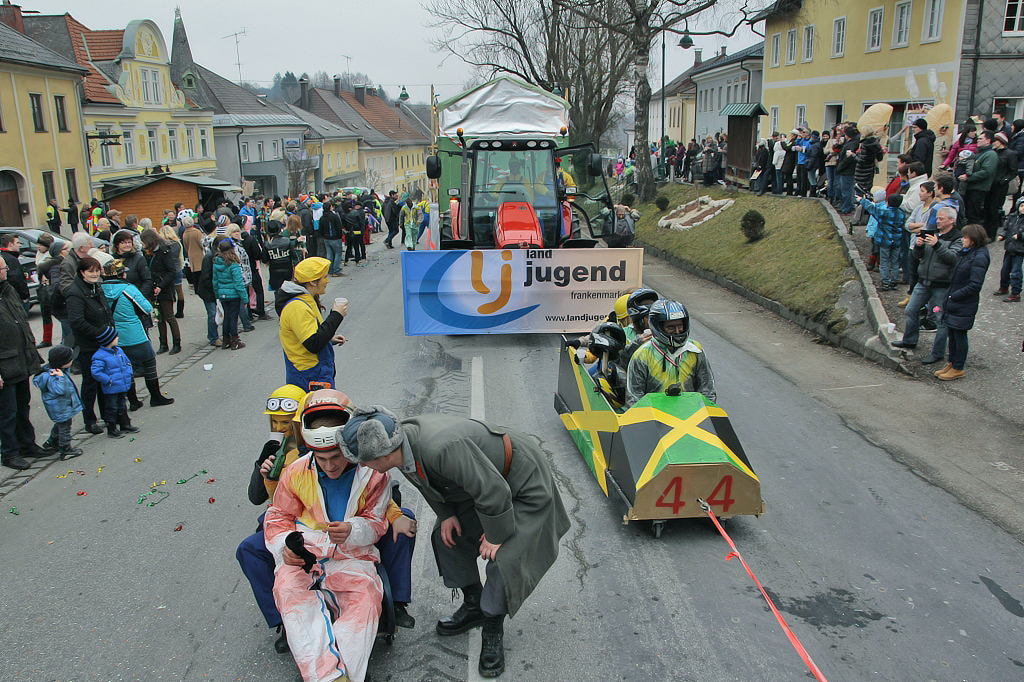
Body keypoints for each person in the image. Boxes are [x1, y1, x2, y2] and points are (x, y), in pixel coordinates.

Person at [339, 406, 571, 678]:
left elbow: (494, 491)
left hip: (521, 481)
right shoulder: (400, 444)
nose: (363, 466)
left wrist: (496, 536)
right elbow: (424, 481)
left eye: (365, 461)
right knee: (446, 536)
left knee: (504, 557)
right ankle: (475, 605)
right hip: (488, 483)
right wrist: (447, 513)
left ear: (384, 455)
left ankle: (492, 627)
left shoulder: (440, 449)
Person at [264, 397, 394, 682]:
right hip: (305, 556)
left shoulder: (374, 474)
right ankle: (332, 677)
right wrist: (284, 547)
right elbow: (277, 518)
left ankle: (334, 675)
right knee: (289, 593)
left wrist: (352, 530)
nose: (330, 466)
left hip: (352, 557)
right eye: (321, 459)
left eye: (336, 457)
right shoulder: (295, 472)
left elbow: (377, 522)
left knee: (365, 600)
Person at [892, 206, 963, 363]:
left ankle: (937, 353)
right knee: (911, 310)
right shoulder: (932, 233)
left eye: (941, 218)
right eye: (937, 218)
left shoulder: (957, 238)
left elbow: (953, 259)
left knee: (940, 318)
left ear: (952, 220)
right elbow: (918, 256)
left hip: (942, 286)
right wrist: (919, 246)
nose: (938, 221)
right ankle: (909, 340)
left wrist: (937, 245)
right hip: (923, 282)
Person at [101, 256, 173, 409]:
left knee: (125, 368)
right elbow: (146, 308)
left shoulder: (100, 291)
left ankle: (133, 400)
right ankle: (155, 397)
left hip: (113, 336)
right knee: (149, 363)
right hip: (134, 333)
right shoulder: (128, 289)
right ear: (121, 274)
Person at [0, 254, 46, 470]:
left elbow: (22, 323)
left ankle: (27, 444)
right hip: (5, 364)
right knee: (7, 413)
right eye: (3, 269)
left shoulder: (7, 289)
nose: (6, 271)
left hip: (19, 359)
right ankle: (9, 453)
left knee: (22, 406)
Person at [625, 299, 716, 407]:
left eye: (680, 326)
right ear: (658, 327)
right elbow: (634, 398)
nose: (677, 331)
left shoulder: (695, 350)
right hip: (655, 415)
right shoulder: (642, 355)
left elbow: (707, 391)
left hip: (690, 414)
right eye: (671, 327)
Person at [276, 257, 347, 390]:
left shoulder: (306, 299)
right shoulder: (297, 307)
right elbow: (313, 343)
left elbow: (308, 333)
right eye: (324, 277)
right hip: (309, 376)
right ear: (313, 282)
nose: (327, 280)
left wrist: (328, 339)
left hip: (315, 373)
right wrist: (336, 315)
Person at [66, 256, 115, 434]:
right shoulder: (75, 293)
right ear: (82, 272)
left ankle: (108, 416)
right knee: (90, 383)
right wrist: (101, 333)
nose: (94, 274)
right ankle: (89, 420)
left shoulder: (97, 287)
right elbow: (77, 322)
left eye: (96, 271)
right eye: (90, 271)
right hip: (88, 345)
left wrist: (110, 332)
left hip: (103, 343)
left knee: (104, 381)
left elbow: (106, 311)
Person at [935, 224, 990, 380]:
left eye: (965, 237)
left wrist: (954, 296)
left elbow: (975, 285)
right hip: (955, 300)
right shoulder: (968, 253)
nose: (962, 240)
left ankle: (958, 367)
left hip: (963, 302)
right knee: (952, 334)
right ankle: (951, 363)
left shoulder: (979, 256)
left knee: (959, 335)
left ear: (973, 239)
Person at [32, 345, 83, 460]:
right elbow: (60, 390)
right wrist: (61, 378)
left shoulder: (57, 370)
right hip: (60, 408)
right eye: (70, 359)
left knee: (60, 425)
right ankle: (65, 449)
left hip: (61, 407)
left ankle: (52, 442)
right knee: (65, 428)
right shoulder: (54, 376)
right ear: (63, 363)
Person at [90, 325, 138, 438]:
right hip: (111, 387)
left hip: (122, 384)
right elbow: (96, 372)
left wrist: (129, 373)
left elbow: (127, 362)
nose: (118, 338)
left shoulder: (119, 350)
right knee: (111, 408)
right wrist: (109, 380)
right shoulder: (99, 356)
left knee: (122, 405)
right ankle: (111, 429)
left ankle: (125, 424)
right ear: (109, 340)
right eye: (115, 337)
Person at [141, 228, 181, 355]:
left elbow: (171, 271)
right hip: (154, 289)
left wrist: (161, 286)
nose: (142, 244)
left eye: (143, 242)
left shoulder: (164, 252)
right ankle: (163, 343)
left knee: (169, 316)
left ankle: (177, 343)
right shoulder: (148, 253)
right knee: (159, 317)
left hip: (164, 288)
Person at [861, 193, 906, 290]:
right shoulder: (902, 213)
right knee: (895, 262)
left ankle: (885, 282)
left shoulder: (884, 212)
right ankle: (894, 281)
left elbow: (872, 209)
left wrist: (863, 200)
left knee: (884, 261)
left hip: (884, 240)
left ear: (888, 202)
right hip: (897, 241)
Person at [212, 239, 247, 351]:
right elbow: (238, 283)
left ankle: (226, 340)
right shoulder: (233, 264)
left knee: (226, 316)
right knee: (233, 317)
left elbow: (215, 281)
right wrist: (244, 298)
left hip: (222, 294)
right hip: (233, 294)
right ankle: (235, 340)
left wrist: (217, 294)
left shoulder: (216, 263)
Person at [960, 131, 998, 231]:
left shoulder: (990, 155)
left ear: (988, 141)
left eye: (981, 139)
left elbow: (986, 172)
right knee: (969, 213)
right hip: (971, 188)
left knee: (973, 215)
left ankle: (976, 235)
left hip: (979, 189)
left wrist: (969, 177)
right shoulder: (980, 153)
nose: (978, 140)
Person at [994, 197, 1024, 301]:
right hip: (1009, 247)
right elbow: (1006, 229)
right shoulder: (1012, 217)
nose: (1023, 208)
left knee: (1016, 272)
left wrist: (1020, 236)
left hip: (1019, 250)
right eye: (1022, 206)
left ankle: (1016, 293)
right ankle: (1004, 287)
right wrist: (1002, 235)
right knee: (1005, 270)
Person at [158, 224, 187, 319]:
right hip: (177, 269)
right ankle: (180, 311)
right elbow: (180, 257)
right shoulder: (177, 244)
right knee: (179, 291)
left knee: (169, 292)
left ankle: (169, 312)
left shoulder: (162, 245)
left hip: (167, 270)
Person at [264, 221, 296, 291]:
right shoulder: (287, 241)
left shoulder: (267, 244)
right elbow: (294, 256)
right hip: (287, 270)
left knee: (277, 291)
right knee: (288, 290)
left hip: (274, 272)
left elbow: (264, 260)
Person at [836, 124, 860, 213]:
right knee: (848, 189)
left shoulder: (851, 144)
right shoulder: (853, 143)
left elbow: (847, 158)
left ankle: (846, 208)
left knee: (846, 190)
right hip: (848, 169)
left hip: (847, 170)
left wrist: (840, 167)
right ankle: (848, 206)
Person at [320, 200, 345, 276]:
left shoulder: (322, 218)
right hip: (335, 238)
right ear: (330, 207)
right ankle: (336, 270)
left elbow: (321, 229)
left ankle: (330, 270)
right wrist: (340, 236)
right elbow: (338, 227)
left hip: (326, 238)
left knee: (329, 254)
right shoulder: (334, 216)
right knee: (338, 253)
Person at [181, 215, 204, 291]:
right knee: (200, 272)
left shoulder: (184, 234)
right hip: (199, 254)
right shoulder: (197, 232)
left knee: (194, 273)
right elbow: (202, 243)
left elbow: (185, 246)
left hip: (190, 254)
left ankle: (196, 288)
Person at [343, 200, 367, 266]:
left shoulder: (344, 215)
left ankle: (346, 260)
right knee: (356, 246)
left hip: (349, 231)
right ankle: (357, 260)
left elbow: (343, 224)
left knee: (349, 246)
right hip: (357, 230)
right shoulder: (355, 212)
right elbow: (360, 221)